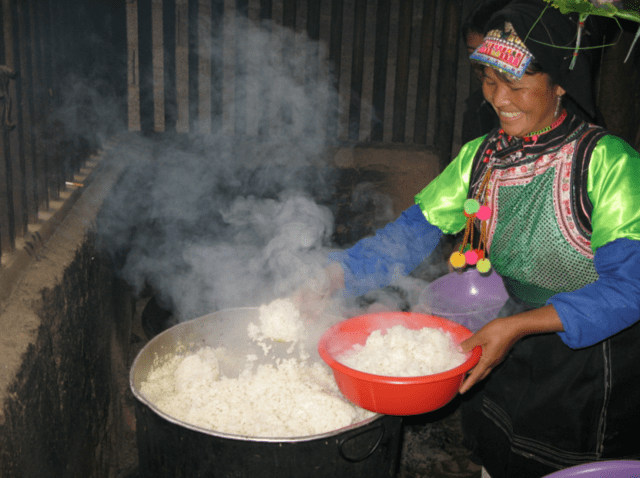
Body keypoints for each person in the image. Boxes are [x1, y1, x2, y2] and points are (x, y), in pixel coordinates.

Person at [320, 1, 640, 476]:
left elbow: (630, 288)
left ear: (559, 83)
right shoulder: (482, 156)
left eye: (515, 83)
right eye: (489, 81)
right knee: (499, 455)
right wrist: (334, 276)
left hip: (592, 357)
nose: (499, 98)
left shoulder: (608, 163)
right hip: (508, 331)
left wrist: (519, 326)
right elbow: (412, 232)